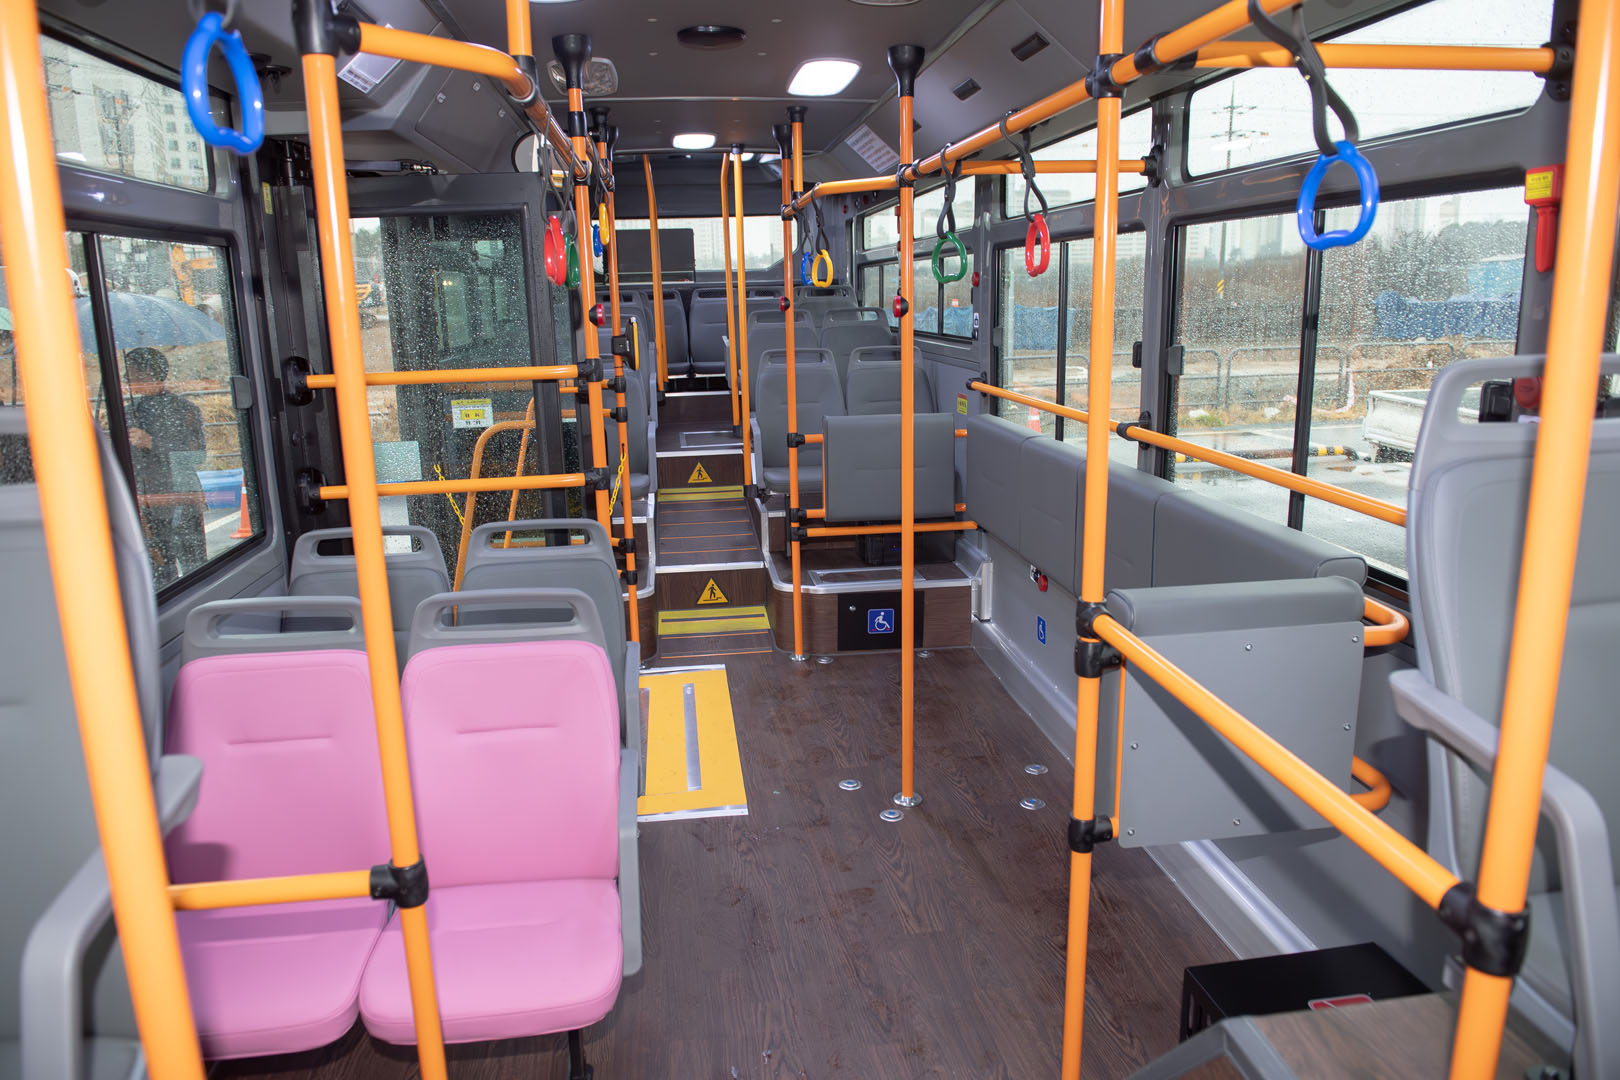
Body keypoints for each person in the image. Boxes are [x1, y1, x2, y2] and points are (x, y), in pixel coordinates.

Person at [124, 346, 207, 586]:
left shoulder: (184, 409)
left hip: (180, 500)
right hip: (147, 505)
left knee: (196, 568)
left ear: (150, 373)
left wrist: (151, 442)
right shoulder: (129, 412)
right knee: (159, 576)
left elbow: (197, 455)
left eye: (131, 373)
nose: (127, 379)